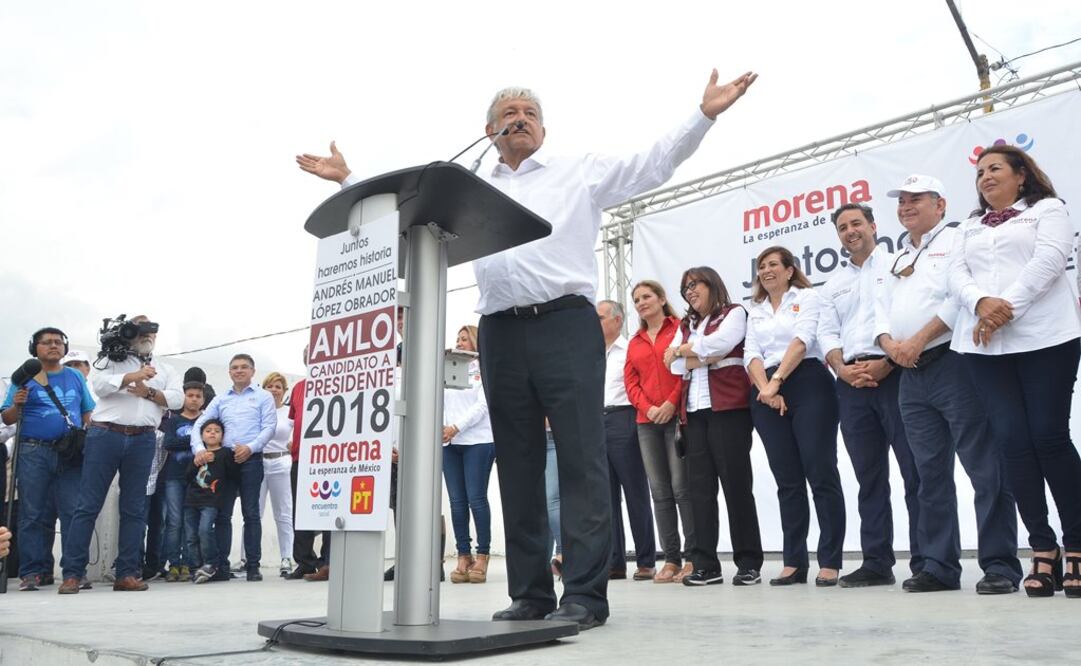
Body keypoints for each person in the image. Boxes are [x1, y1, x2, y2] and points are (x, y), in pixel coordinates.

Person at [298, 68, 758, 629]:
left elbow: (653, 164)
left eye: (530, 114)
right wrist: (349, 181)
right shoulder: (469, 186)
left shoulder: (579, 172)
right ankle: (530, 594)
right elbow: (408, 211)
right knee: (516, 465)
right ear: (488, 130)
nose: (521, 120)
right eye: (509, 115)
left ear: (543, 129)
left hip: (565, 324)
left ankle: (585, 594)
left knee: (581, 460)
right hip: (499, 331)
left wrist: (703, 115)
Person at [875, 174, 1021, 594]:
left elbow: (960, 298)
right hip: (910, 374)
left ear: (940, 205)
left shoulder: (959, 240)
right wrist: (890, 346)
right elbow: (880, 312)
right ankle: (939, 567)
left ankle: (1000, 565)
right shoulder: (896, 257)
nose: (906, 206)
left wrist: (918, 340)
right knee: (928, 474)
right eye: (901, 200)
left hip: (953, 364)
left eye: (916, 199)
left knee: (984, 467)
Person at [948, 147, 1081, 598]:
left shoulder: (1048, 210)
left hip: (1047, 338)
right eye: (980, 172)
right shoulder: (968, 226)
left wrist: (1004, 309)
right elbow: (955, 275)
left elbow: (1049, 261)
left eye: (995, 169)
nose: (985, 177)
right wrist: (980, 304)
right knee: (1013, 444)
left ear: (1021, 176)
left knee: (1049, 438)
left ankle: (1077, 544)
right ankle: (1042, 547)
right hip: (985, 348)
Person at [818, 203, 922, 588]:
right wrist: (841, 369)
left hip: (896, 375)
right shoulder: (833, 283)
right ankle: (877, 562)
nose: (850, 231)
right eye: (843, 227)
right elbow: (826, 332)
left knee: (915, 471)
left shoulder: (898, 265)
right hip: (850, 383)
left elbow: (910, 315)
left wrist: (889, 363)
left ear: (873, 226)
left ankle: (926, 560)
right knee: (869, 477)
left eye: (856, 223)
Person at [60, 315, 183, 593]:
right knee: (88, 505)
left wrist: (148, 392)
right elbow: (99, 386)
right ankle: (72, 574)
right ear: (129, 333)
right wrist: (131, 376)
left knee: (134, 508)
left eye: (151, 332)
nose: (146, 336)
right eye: (140, 331)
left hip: (143, 439)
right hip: (105, 435)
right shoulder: (110, 360)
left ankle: (127, 573)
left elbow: (178, 399)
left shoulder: (165, 368)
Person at [744, 246, 845, 587]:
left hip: (807, 382)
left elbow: (802, 341)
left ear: (790, 270)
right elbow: (751, 352)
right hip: (765, 392)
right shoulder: (755, 309)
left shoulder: (808, 297)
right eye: (761, 266)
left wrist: (776, 382)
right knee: (787, 480)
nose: (766, 270)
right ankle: (794, 561)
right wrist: (766, 389)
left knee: (820, 471)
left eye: (774, 264)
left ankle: (829, 560)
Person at [665, 268, 763, 586]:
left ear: (712, 284)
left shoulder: (734, 313)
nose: (689, 292)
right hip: (693, 414)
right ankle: (705, 565)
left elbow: (721, 344)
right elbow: (674, 366)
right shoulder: (687, 325)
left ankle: (748, 562)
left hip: (728, 411)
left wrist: (684, 351)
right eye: (685, 288)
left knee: (736, 487)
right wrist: (698, 354)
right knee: (699, 492)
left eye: (695, 284)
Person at [1, 328, 94, 591]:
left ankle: (74, 571)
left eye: (58, 342)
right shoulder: (23, 376)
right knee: (32, 512)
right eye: (47, 342)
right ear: (35, 348)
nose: (54, 346)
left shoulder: (75, 376)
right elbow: (7, 418)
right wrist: (17, 404)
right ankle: (32, 572)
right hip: (33, 451)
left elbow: (87, 412)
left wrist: (92, 440)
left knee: (72, 511)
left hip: (69, 453)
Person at [625, 281, 695, 584]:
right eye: (637, 299)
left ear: (662, 298)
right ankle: (671, 559)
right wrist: (649, 408)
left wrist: (670, 403)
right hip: (647, 422)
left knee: (682, 488)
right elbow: (630, 382)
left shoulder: (680, 329)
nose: (641, 302)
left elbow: (688, 369)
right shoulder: (635, 341)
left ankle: (693, 557)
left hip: (676, 417)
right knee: (659, 492)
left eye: (647, 296)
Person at [190, 354, 276, 582]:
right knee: (223, 514)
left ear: (253, 371)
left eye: (244, 367)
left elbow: (269, 427)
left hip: (251, 459)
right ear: (229, 372)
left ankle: (253, 566)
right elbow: (200, 424)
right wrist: (199, 449)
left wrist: (250, 447)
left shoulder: (263, 396)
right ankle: (222, 567)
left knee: (251, 513)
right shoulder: (220, 399)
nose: (239, 371)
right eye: (235, 367)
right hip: (224, 462)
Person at [597, 301, 657, 582]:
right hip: (596, 421)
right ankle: (614, 562)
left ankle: (646, 560)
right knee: (606, 498)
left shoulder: (630, 349)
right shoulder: (591, 353)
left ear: (617, 320)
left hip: (624, 418)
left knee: (635, 493)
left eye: (599, 317)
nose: (594, 323)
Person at [442, 325, 496, 584]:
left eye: (464, 339)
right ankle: (464, 555)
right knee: (457, 502)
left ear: (475, 342)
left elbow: (483, 406)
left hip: (478, 441)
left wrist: (456, 427)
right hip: (449, 444)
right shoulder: (447, 369)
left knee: (476, 499)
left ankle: (483, 555)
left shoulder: (484, 369)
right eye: (457, 338)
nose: (459, 342)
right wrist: (443, 428)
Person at [286, 349, 330, 580]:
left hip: (327, 456)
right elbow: (293, 421)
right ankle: (304, 561)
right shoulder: (298, 388)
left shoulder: (337, 383)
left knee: (328, 506)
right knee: (300, 510)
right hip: (300, 456)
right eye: (309, 357)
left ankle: (328, 561)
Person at [159, 381, 203, 582]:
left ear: (203, 400)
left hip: (197, 478)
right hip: (174, 477)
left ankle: (188, 563)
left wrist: (190, 443)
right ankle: (173, 564)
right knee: (174, 521)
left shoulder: (205, 421)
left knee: (190, 522)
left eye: (198, 396)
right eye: (190, 395)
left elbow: (210, 442)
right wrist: (195, 441)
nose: (194, 399)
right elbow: (169, 443)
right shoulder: (174, 421)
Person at [186, 419, 235, 584]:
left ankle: (210, 563)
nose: (212, 433)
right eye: (208, 430)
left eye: (216, 431)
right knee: (191, 536)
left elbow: (232, 474)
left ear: (222, 436)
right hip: (192, 500)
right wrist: (197, 462)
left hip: (211, 501)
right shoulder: (198, 453)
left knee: (205, 530)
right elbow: (187, 476)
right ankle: (195, 567)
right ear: (201, 436)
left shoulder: (226, 453)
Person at [259, 372, 295, 577]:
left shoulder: (289, 412)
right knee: (253, 512)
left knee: (283, 512)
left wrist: (293, 444)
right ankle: (248, 559)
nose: (273, 390)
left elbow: (298, 434)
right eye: (270, 386)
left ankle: (286, 557)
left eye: (278, 387)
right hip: (259, 462)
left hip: (282, 462)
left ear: (284, 391)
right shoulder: (257, 411)